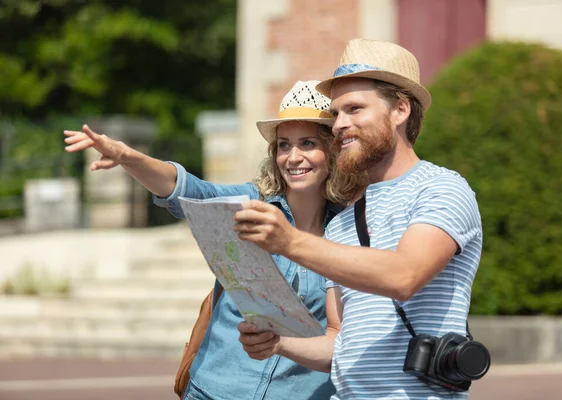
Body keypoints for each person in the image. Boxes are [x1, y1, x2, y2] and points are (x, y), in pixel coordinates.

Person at [64, 80, 366, 400]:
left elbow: (342, 337)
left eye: (307, 143)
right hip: (212, 391)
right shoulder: (249, 205)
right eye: (283, 145)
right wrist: (128, 157)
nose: (293, 157)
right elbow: (186, 190)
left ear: (331, 151)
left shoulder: (349, 230)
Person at [235, 39, 483, 400]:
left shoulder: (442, 188)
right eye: (336, 113)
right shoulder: (341, 223)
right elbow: (340, 341)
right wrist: (278, 344)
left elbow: (403, 275)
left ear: (400, 110)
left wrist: (290, 241)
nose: (339, 125)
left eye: (354, 109)